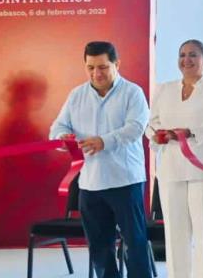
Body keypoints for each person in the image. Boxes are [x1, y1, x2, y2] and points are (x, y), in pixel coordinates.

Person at [50, 41, 152, 278]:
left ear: (117, 64)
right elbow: (58, 126)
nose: (97, 73)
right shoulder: (76, 95)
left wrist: (104, 141)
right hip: (90, 184)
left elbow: (136, 128)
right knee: (99, 247)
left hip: (125, 181)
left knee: (135, 244)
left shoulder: (133, 92)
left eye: (103, 67)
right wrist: (61, 137)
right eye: (91, 67)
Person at [147, 39, 203, 278]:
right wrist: (159, 135)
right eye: (182, 55)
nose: (187, 60)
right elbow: (152, 124)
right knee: (175, 235)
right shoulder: (164, 89)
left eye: (193, 55)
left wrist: (191, 132)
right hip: (171, 169)